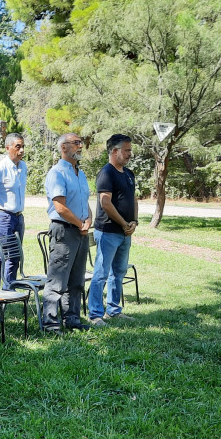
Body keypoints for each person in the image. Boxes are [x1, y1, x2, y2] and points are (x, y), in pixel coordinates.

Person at [42, 133, 92, 333]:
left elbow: (84, 202)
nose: (81, 146)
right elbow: (60, 207)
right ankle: (51, 323)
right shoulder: (57, 173)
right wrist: (80, 223)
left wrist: (88, 219)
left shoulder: (80, 173)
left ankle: (72, 319)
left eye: (81, 143)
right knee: (57, 280)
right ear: (64, 147)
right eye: (76, 143)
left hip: (81, 231)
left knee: (77, 280)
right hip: (64, 230)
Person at [88, 134, 138, 326]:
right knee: (101, 273)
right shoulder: (106, 173)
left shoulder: (128, 174)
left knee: (118, 272)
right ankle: (95, 315)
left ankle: (114, 310)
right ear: (115, 151)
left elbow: (133, 199)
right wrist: (124, 224)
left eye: (130, 150)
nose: (129, 154)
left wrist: (133, 221)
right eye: (127, 150)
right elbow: (105, 202)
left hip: (125, 233)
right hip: (109, 232)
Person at [0, 133, 28, 290]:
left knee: (15, 254)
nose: (22, 150)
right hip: (2, 216)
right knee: (0, 256)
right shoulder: (0, 168)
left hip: (18, 217)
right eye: (18, 146)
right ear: (7, 148)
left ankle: (9, 288)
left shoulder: (23, 167)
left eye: (23, 146)